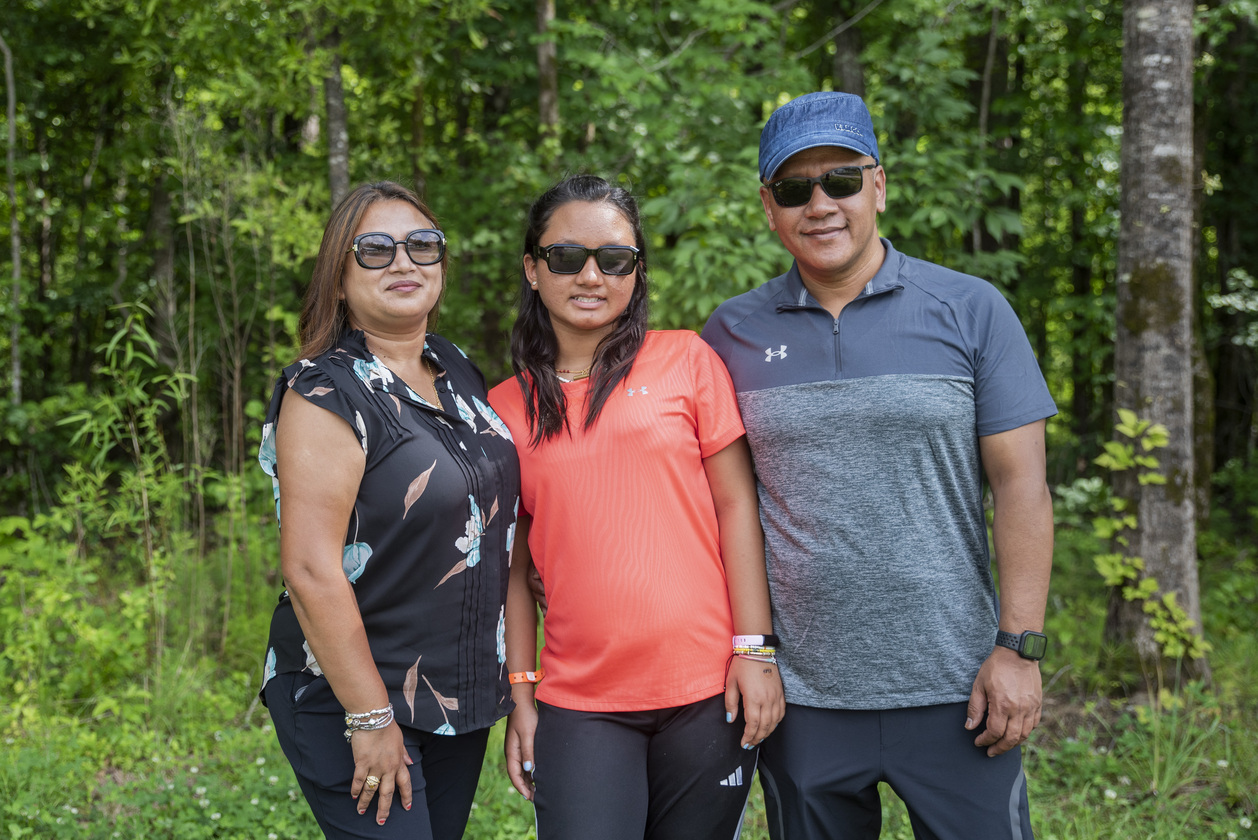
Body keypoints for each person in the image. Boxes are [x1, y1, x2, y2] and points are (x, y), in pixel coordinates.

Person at [701, 92, 1057, 840]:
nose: (820, 204)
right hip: (803, 698)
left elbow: (1021, 484)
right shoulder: (731, 333)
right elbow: (713, 504)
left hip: (960, 688)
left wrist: (1018, 648)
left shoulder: (971, 309)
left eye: (841, 180)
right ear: (769, 208)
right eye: (796, 189)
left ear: (879, 186)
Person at [487, 174, 785, 840]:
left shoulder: (687, 360)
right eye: (566, 257)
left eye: (613, 259)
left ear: (636, 270)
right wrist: (523, 690)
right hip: (579, 703)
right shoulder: (502, 409)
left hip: (708, 692)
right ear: (534, 269)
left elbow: (739, 507)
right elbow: (511, 568)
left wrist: (755, 649)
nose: (589, 275)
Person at [256, 181, 520, 839]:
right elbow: (311, 569)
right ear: (339, 279)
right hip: (352, 695)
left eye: (422, 245)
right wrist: (369, 716)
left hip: (454, 694)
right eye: (374, 250)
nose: (403, 262)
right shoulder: (324, 390)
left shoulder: (455, 368)